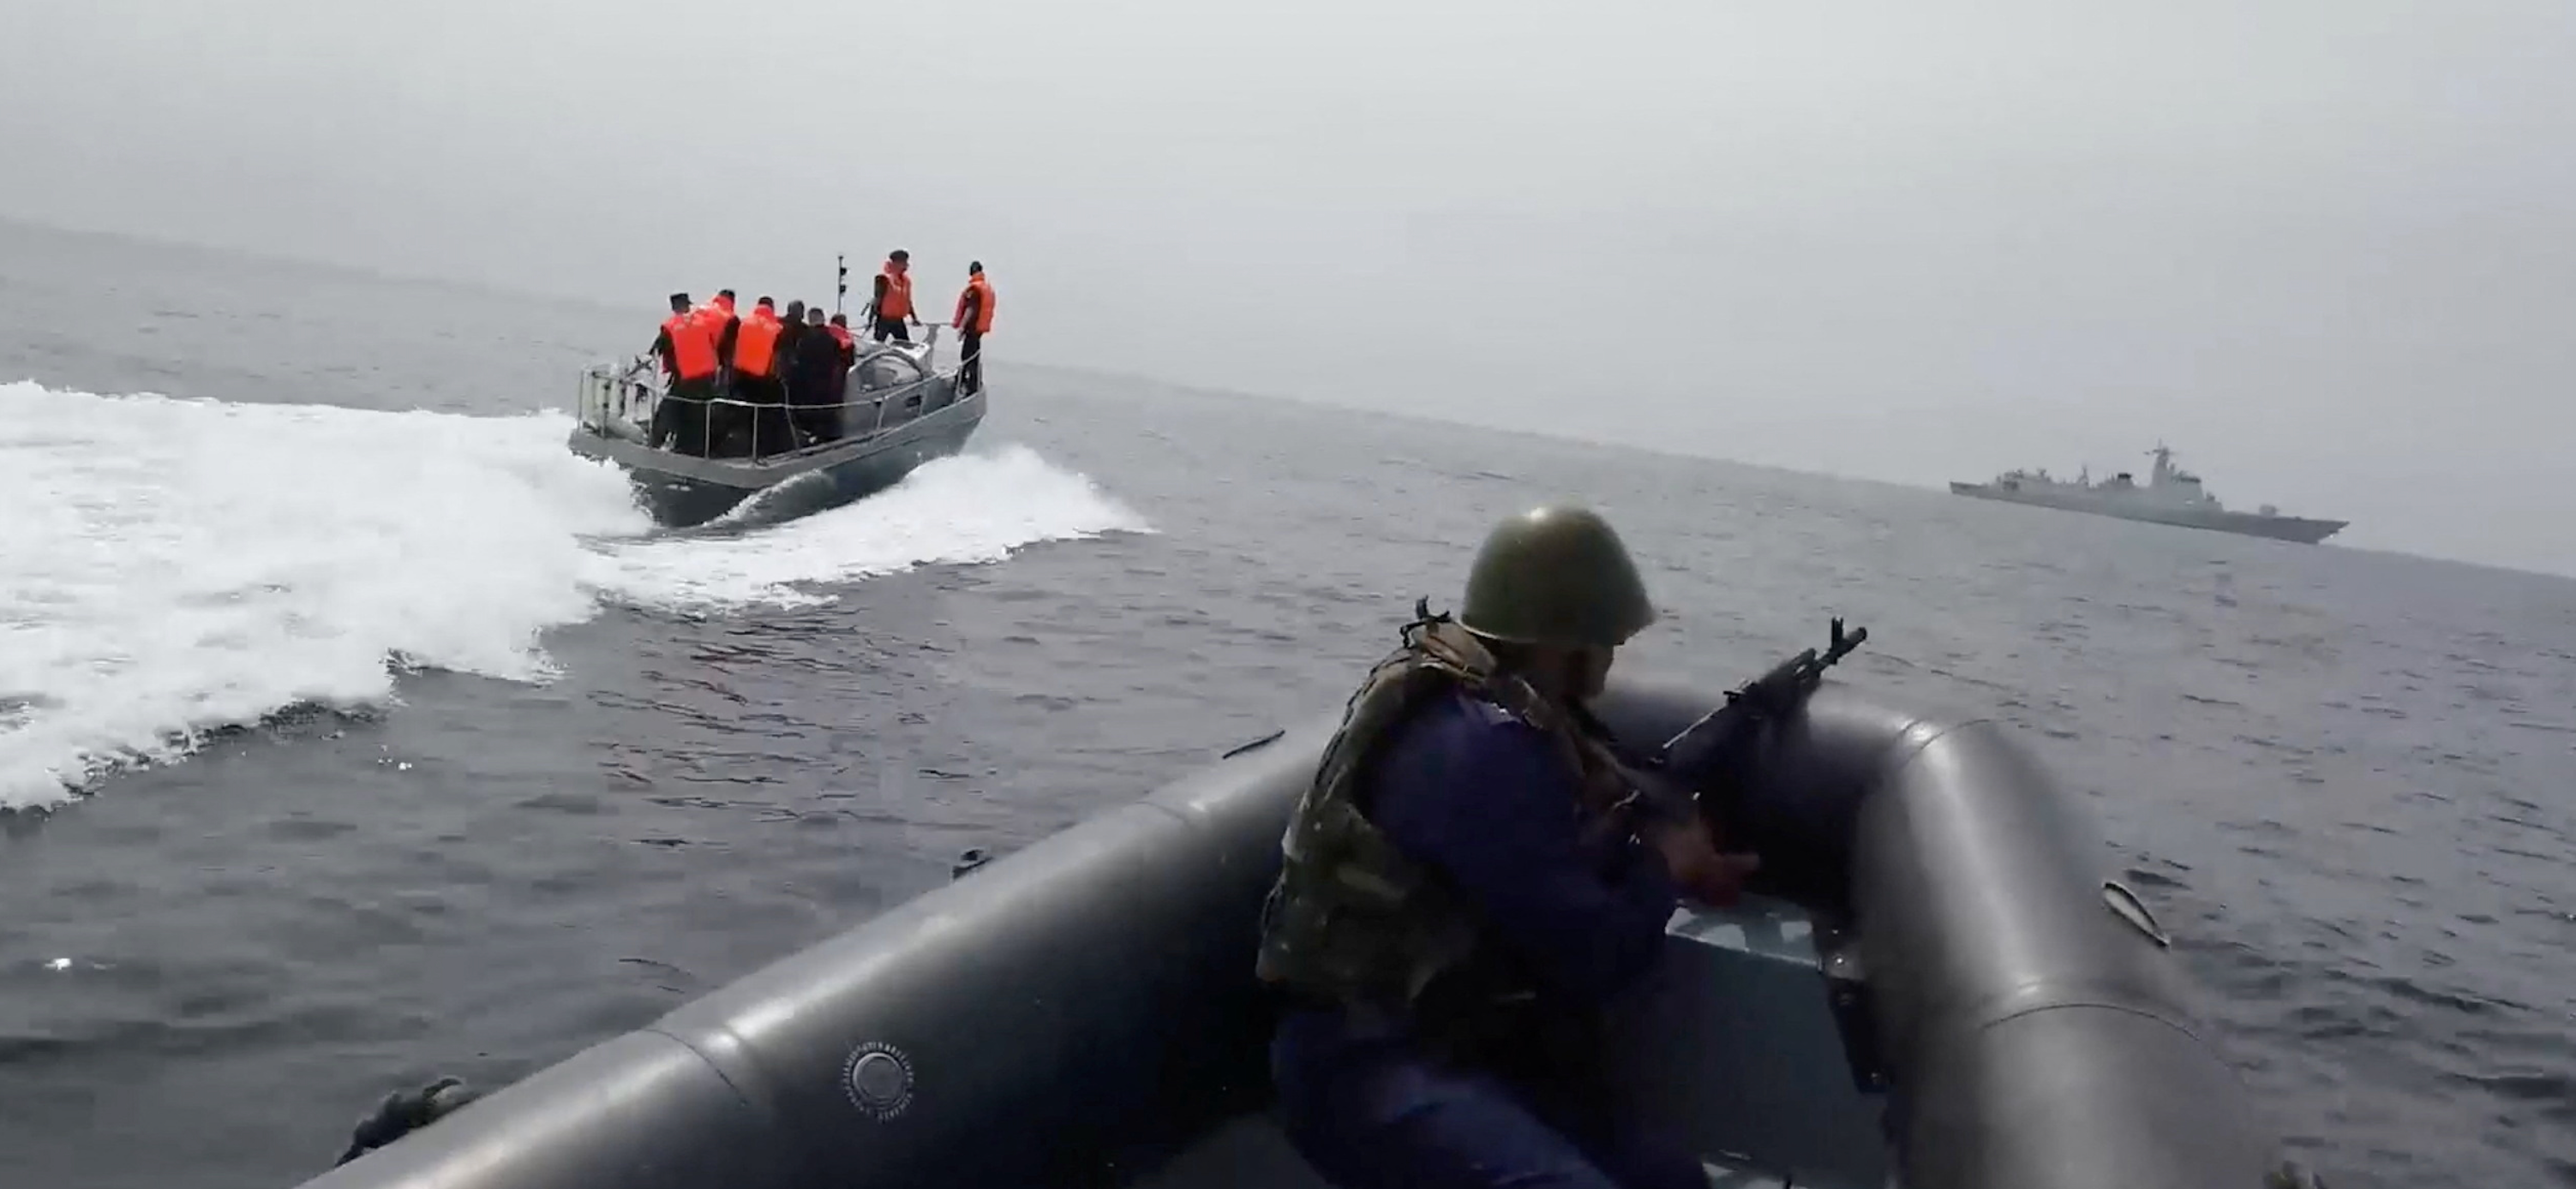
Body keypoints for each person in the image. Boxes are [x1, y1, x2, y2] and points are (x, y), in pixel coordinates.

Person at [1255, 505, 1759, 1189]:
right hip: (1364, 1061)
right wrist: (1663, 867)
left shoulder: (1505, 718)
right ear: (1565, 641)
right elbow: (1595, 958)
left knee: (1669, 1179)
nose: (1613, 657)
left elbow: (1526, 875)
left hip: (1453, 1044)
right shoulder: (1486, 747)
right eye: (1605, 639)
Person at [646, 292, 720, 455]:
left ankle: (654, 444)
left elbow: (658, 350)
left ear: (673, 308)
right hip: (707, 378)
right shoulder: (704, 322)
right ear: (688, 306)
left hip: (685, 380)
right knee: (700, 416)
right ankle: (698, 450)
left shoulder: (670, 326)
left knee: (667, 411)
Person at [723, 296, 793, 457]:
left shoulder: (743, 323)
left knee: (738, 414)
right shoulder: (777, 329)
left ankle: (719, 444)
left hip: (740, 378)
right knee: (766, 418)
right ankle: (765, 452)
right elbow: (781, 358)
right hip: (764, 381)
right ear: (772, 309)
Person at [788, 306, 845, 444]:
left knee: (809, 417)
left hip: (807, 389)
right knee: (826, 419)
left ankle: (809, 437)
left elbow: (797, 364)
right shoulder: (832, 340)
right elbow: (839, 365)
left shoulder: (803, 341)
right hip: (827, 388)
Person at [951, 261, 994, 395]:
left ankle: (967, 382)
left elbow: (970, 309)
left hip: (972, 328)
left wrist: (962, 327)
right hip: (979, 329)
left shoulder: (974, 289)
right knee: (973, 354)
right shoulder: (986, 288)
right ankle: (967, 379)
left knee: (967, 355)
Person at [865, 249, 920, 343]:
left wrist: (914, 318)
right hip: (884, 320)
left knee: (905, 343)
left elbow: (908, 301)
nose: (907, 264)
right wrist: (870, 320)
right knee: (878, 343)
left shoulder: (906, 281)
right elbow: (877, 299)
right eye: (904, 262)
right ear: (896, 263)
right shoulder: (884, 279)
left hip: (898, 320)